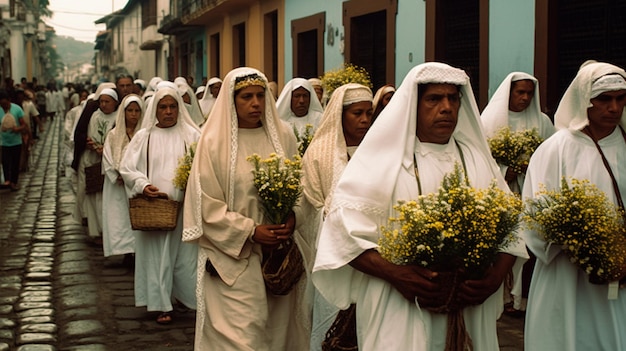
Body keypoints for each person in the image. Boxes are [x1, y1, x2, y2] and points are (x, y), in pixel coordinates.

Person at [311, 62, 528, 350]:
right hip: (398, 302)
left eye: (453, 98)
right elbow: (342, 236)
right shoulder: (379, 160)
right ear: (414, 104)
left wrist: (494, 278)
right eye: (434, 99)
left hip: (470, 306)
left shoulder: (477, 159)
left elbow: (512, 228)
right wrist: (397, 274)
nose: (446, 107)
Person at [182, 67, 310, 350]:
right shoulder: (213, 142)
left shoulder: (283, 136)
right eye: (246, 97)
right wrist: (250, 231)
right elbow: (205, 203)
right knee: (243, 337)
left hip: (278, 255)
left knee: (278, 334)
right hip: (232, 257)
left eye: (261, 96)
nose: (255, 103)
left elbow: (302, 187)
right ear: (231, 100)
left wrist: (291, 217)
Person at [522, 61, 626, 351]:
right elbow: (534, 215)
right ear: (584, 100)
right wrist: (587, 246)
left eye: (621, 98)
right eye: (604, 99)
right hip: (567, 278)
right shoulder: (557, 149)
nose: (614, 108)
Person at [301, 83, 374, 350]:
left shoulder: (378, 150)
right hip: (332, 253)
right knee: (332, 318)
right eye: (357, 113)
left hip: (372, 252)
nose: (365, 120)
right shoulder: (320, 153)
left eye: (369, 112)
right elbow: (310, 205)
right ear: (340, 115)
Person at [121, 87, 199, 325]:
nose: (168, 112)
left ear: (179, 108)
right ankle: (160, 303)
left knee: (185, 256)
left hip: (185, 208)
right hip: (154, 208)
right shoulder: (144, 136)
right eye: (163, 107)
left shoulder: (193, 135)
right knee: (155, 256)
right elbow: (127, 168)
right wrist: (143, 186)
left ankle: (185, 298)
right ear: (155, 109)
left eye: (172, 106)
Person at [480, 72, 556, 316]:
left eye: (529, 93)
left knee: (530, 241)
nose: (524, 98)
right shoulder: (490, 119)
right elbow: (480, 157)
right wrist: (505, 170)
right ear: (509, 92)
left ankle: (522, 299)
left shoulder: (542, 121)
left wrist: (530, 167)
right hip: (502, 191)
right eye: (519, 92)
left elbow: (552, 155)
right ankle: (503, 295)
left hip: (531, 191)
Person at [102, 94, 144, 264]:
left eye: (137, 111)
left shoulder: (144, 134)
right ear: (123, 112)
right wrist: (116, 173)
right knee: (120, 218)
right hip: (118, 186)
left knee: (138, 217)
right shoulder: (114, 134)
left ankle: (138, 252)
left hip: (137, 183)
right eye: (130, 111)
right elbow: (107, 156)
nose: (133, 114)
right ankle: (125, 251)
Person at [0, 89, 27, 191]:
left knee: (15, 163)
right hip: (4, 142)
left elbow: (24, 125)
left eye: (5, 104)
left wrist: (18, 129)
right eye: (1, 105)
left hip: (16, 141)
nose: (4, 107)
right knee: (5, 162)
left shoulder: (17, 109)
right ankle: (7, 180)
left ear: (9, 100)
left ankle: (13, 182)